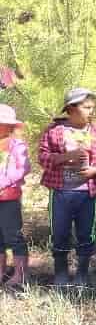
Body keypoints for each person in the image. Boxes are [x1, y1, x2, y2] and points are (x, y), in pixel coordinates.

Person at [38, 88, 96, 287]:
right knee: (60, 233)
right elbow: (43, 157)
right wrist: (66, 157)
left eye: (92, 107)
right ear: (71, 109)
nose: (91, 111)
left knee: (86, 233)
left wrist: (95, 170)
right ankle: (61, 273)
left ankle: (81, 274)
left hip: (88, 193)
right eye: (86, 107)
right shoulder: (54, 131)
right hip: (61, 192)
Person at [0, 105, 29, 287]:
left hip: (9, 198)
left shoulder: (17, 146)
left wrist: (3, 183)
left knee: (13, 236)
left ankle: (21, 275)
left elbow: (23, 169)